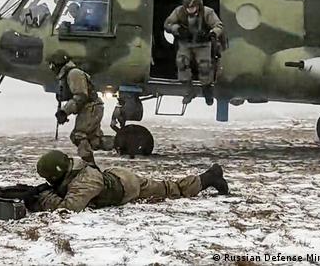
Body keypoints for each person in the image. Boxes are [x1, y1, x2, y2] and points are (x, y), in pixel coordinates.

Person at [30, 150, 229, 212]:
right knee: (169, 187)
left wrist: (44, 197)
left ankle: (210, 177)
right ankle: (209, 177)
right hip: (119, 177)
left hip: (127, 187)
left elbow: (69, 208)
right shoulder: (78, 173)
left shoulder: (85, 182)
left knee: (171, 191)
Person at [48, 52, 113, 164]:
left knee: (78, 136)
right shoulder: (70, 74)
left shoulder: (74, 74)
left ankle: (90, 165)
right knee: (94, 141)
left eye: (52, 65)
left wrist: (64, 111)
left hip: (91, 107)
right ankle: (122, 143)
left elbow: (81, 96)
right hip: (91, 107)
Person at [164, 0, 224, 105]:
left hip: (203, 44)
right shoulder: (179, 12)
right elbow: (168, 24)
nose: (190, 10)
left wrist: (212, 34)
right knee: (181, 62)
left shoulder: (207, 12)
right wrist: (178, 30)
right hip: (185, 43)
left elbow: (218, 25)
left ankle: (207, 89)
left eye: (193, 7)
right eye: (188, 8)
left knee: (205, 66)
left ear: (198, 6)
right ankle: (189, 90)